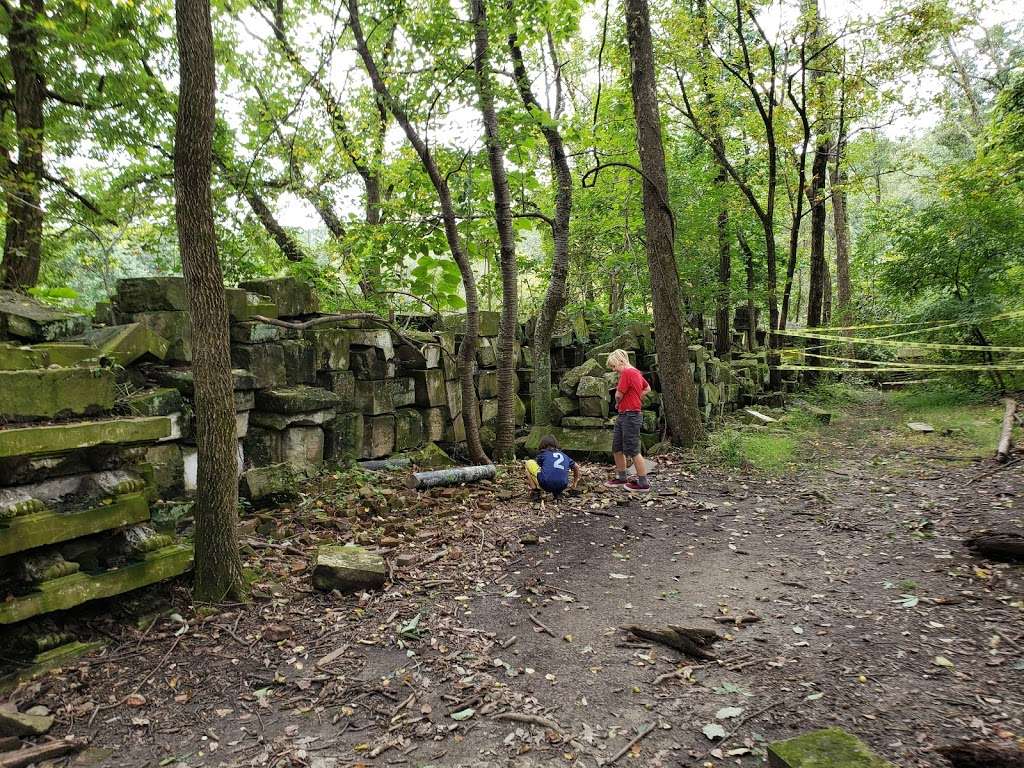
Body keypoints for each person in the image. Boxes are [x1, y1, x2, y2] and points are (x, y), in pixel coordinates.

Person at [605, 349, 651, 492]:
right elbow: (647, 388)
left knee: (633, 449)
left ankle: (643, 482)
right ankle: (622, 476)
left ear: (621, 361)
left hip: (630, 415)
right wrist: (637, 397)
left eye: (614, 366)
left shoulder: (627, 372)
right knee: (617, 447)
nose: (614, 370)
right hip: (624, 414)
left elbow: (618, 394)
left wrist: (618, 402)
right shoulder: (637, 372)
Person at [525, 434, 581, 502]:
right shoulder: (564, 455)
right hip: (562, 485)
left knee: (529, 463)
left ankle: (535, 491)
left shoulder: (543, 454)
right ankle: (557, 493)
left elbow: (539, 466)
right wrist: (574, 483)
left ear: (543, 444)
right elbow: (577, 467)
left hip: (545, 484)